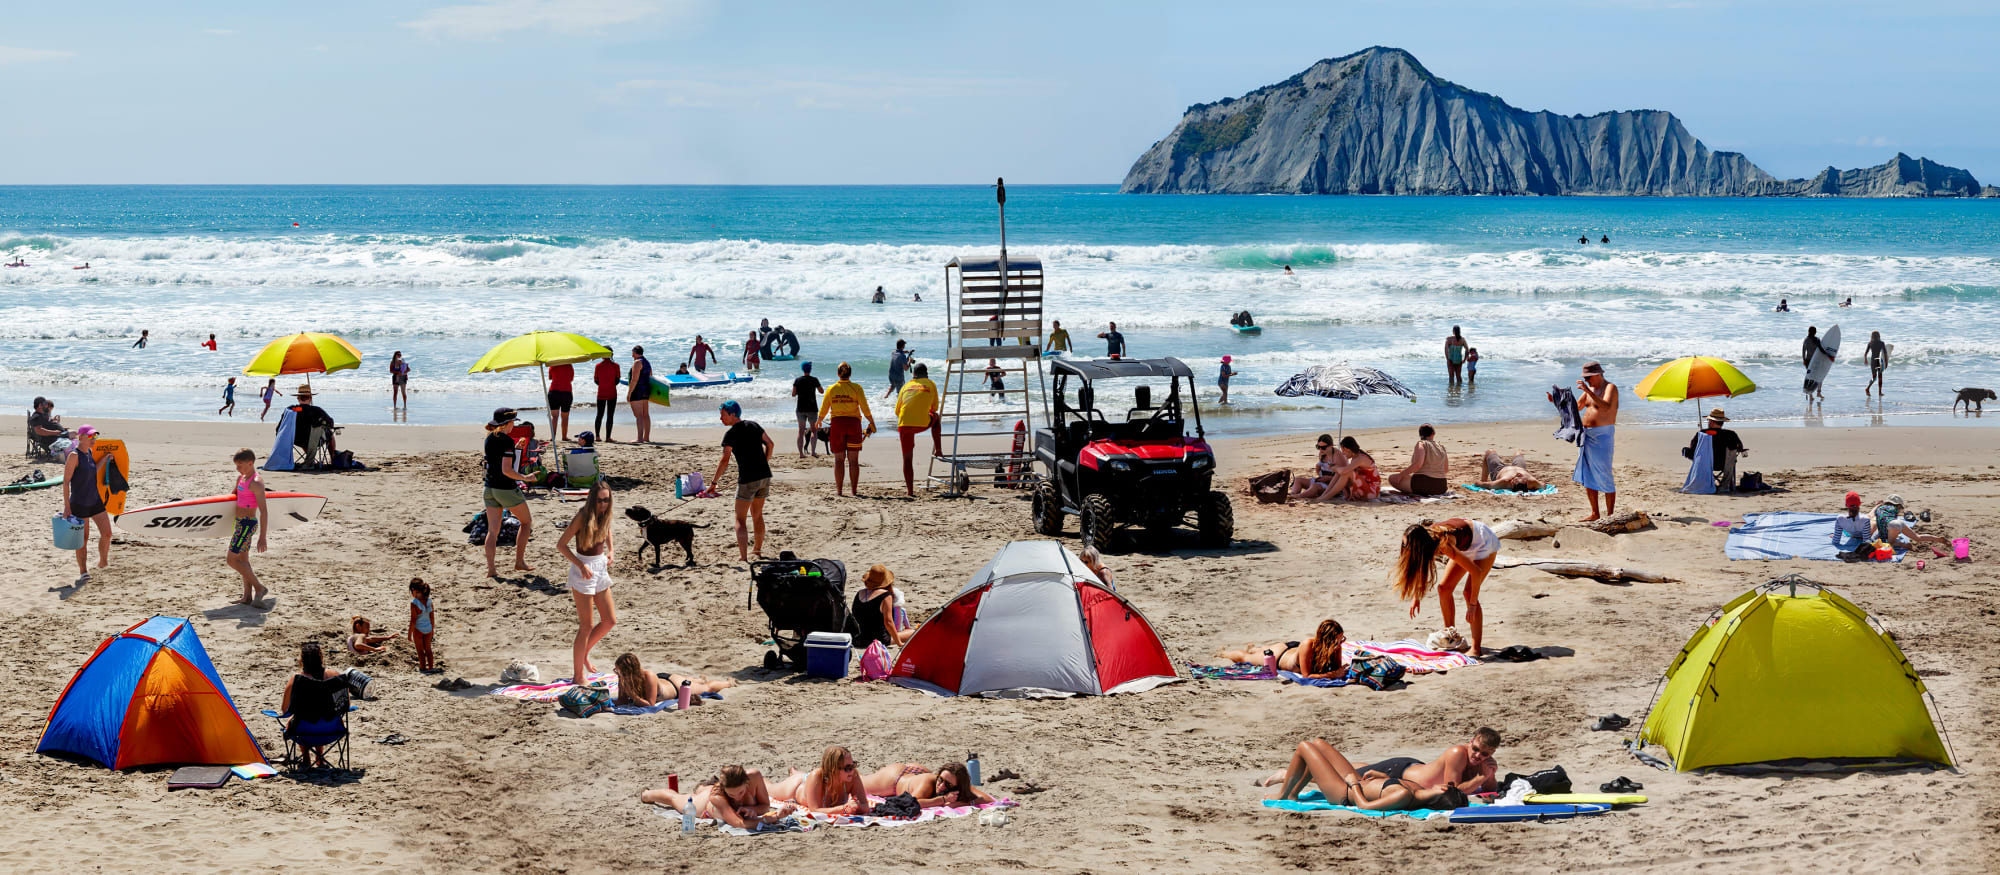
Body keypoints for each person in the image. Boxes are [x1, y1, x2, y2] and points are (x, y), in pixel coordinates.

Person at [1261, 728, 1501, 809]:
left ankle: (1287, 790)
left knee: (1312, 747)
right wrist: (1483, 776)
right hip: (1398, 770)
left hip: (1349, 792)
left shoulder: (1407, 794)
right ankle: (1291, 779)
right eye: (1476, 749)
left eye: (1485, 754)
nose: (1478, 756)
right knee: (1321, 750)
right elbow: (1456, 788)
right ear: (1471, 742)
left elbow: (1365, 806)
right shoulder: (1458, 754)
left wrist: (1487, 775)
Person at [1393, 519, 1500, 655]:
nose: (1405, 548)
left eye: (1407, 545)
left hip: (1483, 540)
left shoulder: (1443, 544)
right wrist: (1417, 596)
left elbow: (1476, 572)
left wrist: (1472, 605)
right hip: (1464, 544)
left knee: (1468, 593)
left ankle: (1476, 649)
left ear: (1419, 545)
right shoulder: (1427, 540)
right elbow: (1422, 566)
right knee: (1443, 588)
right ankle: (1452, 638)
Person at [556, 479, 618, 686]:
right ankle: (577, 676)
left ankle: (584, 653)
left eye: (607, 500)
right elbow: (561, 545)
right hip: (583, 568)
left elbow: (607, 530)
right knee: (586, 626)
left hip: (600, 567)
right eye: (600, 500)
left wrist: (611, 550)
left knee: (609, 620)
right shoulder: (583, 516)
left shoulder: (605, 513)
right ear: (592, 499)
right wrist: (580, 565)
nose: (603, 504)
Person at [707, 400, 773, 562]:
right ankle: (756, 550)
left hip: (747, 480)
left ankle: (743, 557)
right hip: (764, 476)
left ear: (733, 414)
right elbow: (770, 444)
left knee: (740, 519)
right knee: (757, 515)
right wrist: (764, 462)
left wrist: (714, 483)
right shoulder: (754, 425)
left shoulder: (731, 434)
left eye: (723, 415)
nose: (721, 418)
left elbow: (724, 460)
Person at [641, 765, 796, 831]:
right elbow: (739, 823)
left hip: (718, 790)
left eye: (741, 792)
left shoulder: (754, 776)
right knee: (675, 799)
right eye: (732, 794)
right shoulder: (717, 796)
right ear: (724, 789)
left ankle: (702, 786)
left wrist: (752, 808)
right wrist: (773, 818)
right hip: (706, 804)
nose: (737, 798)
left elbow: (764, 806)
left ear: (746, 782)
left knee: (702, 789)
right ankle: (647, 794)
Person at [481, 408, 535, 577]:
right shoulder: (506, 441)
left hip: (489, 488)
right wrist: (526, 478)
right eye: (513, 422)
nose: (514, 425)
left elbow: (498, 462)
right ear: (507, 423)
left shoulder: (489, 438)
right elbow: (506, 470)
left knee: (493, 530)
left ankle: (491, 570)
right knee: (526, 523)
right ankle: (519, 562)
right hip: (505, 488)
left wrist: (516, 449)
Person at [280, 642, 349, 768]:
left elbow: (285, 710)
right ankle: (319, 758)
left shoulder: (297, 679)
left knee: (302, 716)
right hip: (332, 729)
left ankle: (306, 757)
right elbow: (346, 705)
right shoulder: (335, 676)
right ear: (321, 658)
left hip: (303, 731)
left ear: (302, 660)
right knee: (323, 714)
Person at [814, 362, 876, 497]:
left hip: (838, 425)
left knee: (839, 460)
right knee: (853, 461)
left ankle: (840, 491)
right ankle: (854, 491)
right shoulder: (857, 388)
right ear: (850, 374)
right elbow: (865, 408)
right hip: (853, 424)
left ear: (838, 374)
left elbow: (824, 408)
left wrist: (819, 420)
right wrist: (871, 422)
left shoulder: (831, 389)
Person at [61, 426, 111, 585]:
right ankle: (83, 572)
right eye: (90, 437)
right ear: (81, 437)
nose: (93, 439)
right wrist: (67, 506)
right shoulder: (74, 456)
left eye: (94, 437)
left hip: (95, 501)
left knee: (107, 533)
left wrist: (104, 460)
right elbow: (66, 482)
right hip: (79, 503)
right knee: (83, 539)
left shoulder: (89, 453)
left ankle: (103, 561)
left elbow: (92, 472)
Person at [1217, 618, 1347, 678]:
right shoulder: (1309, 645)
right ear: (1326, 640)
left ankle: (1254, 648)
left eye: (1341, 639)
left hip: (1293, 650)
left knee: (1260, 650)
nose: (1340, 643)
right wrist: (1332, 675)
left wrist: (1339, 671)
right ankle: (1224, 653)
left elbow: (1337, 669)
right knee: (1245, 658)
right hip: (1280, 656)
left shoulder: (1336, 647)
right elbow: (1307, 675)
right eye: (1337, 640)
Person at [1570, 361, 1619, 521]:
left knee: (1604, 473)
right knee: (1588, 473)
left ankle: (1610, 515)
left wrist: (1587, 391)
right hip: (1586, 435)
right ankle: (1595, 513)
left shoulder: (1610, 387)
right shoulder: (1589, 389)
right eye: (1585, 378)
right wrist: (1557, 401)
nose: (1587, 381)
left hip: (1602, 435)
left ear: (1598, 374)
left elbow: (1606, 406)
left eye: (1589, 377)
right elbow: (1577, 407)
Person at [771, 746, 872, 816]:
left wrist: (856, 806)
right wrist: (844, 809)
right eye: (847, 768)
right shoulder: (816, 776)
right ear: (833, 769)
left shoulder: (852, 776)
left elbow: (865, 807)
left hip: (812, 780)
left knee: (804, 776)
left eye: (853, 765)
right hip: (796, 788)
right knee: (768, 788)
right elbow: (815, 810)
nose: (852, 770)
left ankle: (795, 772)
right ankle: (794, 774)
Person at [225, 448, 269, 606]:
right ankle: (247, 596)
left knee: (231, 560)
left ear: (250, 463)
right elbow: (231, 498)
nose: (238, 468)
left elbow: (264, 511)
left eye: (240, 465)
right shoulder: (241, 479)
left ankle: (259, 587)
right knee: (243, 559)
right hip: (239, 524)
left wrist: (262, 537)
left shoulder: (256, 483)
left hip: (247, 524)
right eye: (236, 465)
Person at [611, 652, 735, 707]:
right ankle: (698, 679)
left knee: (707, 688)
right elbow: (621, 700)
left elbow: (650, 704)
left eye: (618, 670)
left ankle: (728, 683)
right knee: (693, 681)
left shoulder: (648, 676)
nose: (616, 673)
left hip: (675, 686)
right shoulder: (624, 679)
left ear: (629, 671)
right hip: (663, 681)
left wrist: (633, 696)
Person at [859, 761, 994, 808]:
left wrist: (961, 803)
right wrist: (942, 800)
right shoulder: (928, 784)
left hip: (916, 773)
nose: (941, 786)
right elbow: (914, 803)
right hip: (894, 780)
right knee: (858, 780)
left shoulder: (959, 786)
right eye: (940, 779)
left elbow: (988, 799)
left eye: (948, 784)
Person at [894, 363, 940, 495]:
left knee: (907, 459)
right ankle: (939, 450)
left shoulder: (905, 386)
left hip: (904, 424)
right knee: (936, 418)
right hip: (921, 422)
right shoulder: (930, 384)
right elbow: (934, 408)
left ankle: (910, 491)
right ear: (926, 374)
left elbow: (897, 412)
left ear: (913, 374)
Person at [1309, 436, 1378, 502]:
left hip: (1371, 492)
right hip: (1362, 487)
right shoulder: (1355, 457)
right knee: (1339, 472)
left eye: (1343, 451)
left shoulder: (1360, 459)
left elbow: (1344, 471)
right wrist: (1336, 468)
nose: (1343, 453)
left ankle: (1326, 497)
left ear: (1347, 449)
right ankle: (1325, 494)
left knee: (1345, 472)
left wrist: (1335, 467)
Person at [1388, 424, 1450, 496]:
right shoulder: (1441, 447)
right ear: (1433, 433)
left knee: (1392, 478)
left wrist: (1400, 475)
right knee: (1408, 477)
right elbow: (1445, 470)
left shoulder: (1421, 444)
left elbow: (1418, 465)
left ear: (1420, 434)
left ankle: (1412, 491)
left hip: (1424, 484)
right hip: (1441, 486)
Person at [1686, 408, 1747, 480]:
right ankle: (1726, 483)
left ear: (1711, 422)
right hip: (1725, 464)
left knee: (1687, 450)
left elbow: (1693, 448)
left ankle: (1702, 479)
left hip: (1705, 464)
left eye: (1708, 420)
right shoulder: (1731, 434)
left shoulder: (1702, 434)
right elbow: (1739, 448)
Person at [288, 386, 338, 461]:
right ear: (310, 398)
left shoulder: (292, 409)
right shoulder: (316, 410)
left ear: (298, 398)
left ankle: (310, 458)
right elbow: (330, 423)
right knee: (329, 433)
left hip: (296, 440)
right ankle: (333, 457)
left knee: (303, 433)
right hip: (315, 440)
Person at [1287, 434, 1341, 501]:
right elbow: (1319, 467)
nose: (1321, 449)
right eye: (1318, 447)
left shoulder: (1338, 457)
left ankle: (1298, 496)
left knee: (1314, 487)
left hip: (1331, 485)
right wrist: (1320, 475)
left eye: (1323, 447)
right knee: (1298, 480)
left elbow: (1343, 477)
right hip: (1321, 481)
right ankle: (1293, 493)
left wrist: (1328, 478)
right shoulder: (1322, 454)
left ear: (1331, 446)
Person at [791, 362, 824, 457]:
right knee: (814, 430)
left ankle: (801, 453)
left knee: (801, 431)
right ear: (810, 369)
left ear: (802, 369)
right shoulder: (814, 380)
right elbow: (821, 391)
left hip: (801, 408)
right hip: (812, 408)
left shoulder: (797, 380)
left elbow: (793, 394)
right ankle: (813, 452)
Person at [1474, 450, 1544, 491]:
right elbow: (1544, 485)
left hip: (1499, 469)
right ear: (1526, 482)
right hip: (1520, 467)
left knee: (1490, 452)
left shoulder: (1504, 481)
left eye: (1517, 478)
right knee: (1518, 453)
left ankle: (1483, 479)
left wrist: (1480, 483)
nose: (1518, 474)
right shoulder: (1532, 482)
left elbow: (1484, 485)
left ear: (1512, 482)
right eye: (1521, 477)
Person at [408, 578, 437, 673]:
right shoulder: (429, 601)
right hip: (428, 628)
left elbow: (413, 620)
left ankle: (423, 668)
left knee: (420, 651)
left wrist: (410, 633)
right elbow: (432, 617)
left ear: (414, 591)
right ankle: (431, 667)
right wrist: (432, 629)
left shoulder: (414, 603)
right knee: (428, 649)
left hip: (418, 630)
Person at [627, 346, 653, 444]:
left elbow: (634, 379)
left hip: (637, 390)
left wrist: (629, 393)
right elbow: (650, 376)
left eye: (632, 353)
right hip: (646, 389)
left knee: (639, 416)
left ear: (635, 352)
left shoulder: (637, 362)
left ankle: (639, 438)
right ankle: (646, 437)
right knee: (645, 414)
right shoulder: (647, 362)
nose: (632, 355)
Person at [592, 354, 621, 442]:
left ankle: (597, 436)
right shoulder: (616, 366)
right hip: (612, 393)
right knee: (610, 415)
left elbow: (596, 380)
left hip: (601, 393)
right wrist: (610, 385)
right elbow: (617, 380)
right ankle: (608, 437)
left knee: (599, 415)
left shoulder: (598, 366)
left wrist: (603, 385)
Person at [546, 361, 574, 441]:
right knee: (565, 417)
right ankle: (564, 437)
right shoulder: (569, 365)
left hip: (554, 392)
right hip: (566, 392)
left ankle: (553, 437)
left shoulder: (553, 365)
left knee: (554, 417)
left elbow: (550, 377)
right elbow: (571, 379)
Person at [1865, 330, 1888, 397]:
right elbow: (1885, 353)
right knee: (1880, 377)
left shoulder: (1870, 343)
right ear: (1879, 336)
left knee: (1874, 377)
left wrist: (1866, 360)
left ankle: (1868, 388)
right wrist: (1886, 362)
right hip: (1878, 361)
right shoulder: (1881, 343)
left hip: (1873, 361)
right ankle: (1879, 392)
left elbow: (1865, 353)